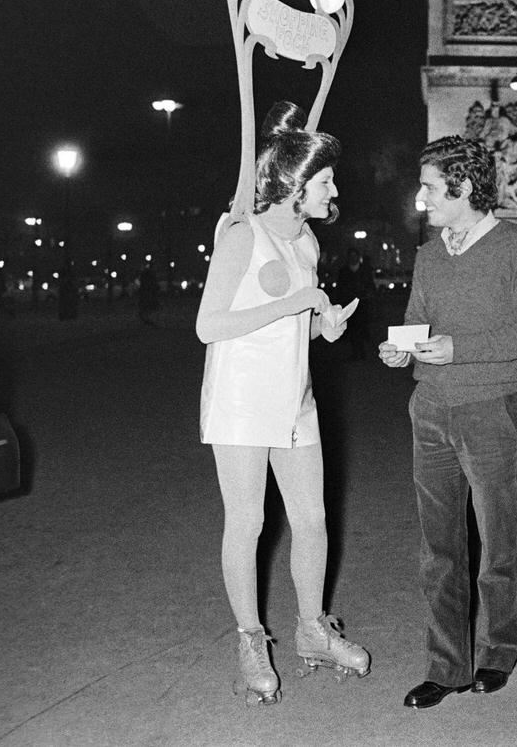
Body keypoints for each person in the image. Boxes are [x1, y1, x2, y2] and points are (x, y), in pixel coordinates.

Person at [197, 100, 369, 706]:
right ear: (294, 186)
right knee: (248, 523)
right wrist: (292, 305)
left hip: (296, 404)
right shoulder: (244, 236)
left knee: (313, 521)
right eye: (324, 180)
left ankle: (312, 629)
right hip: (242, 407)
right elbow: (208, 325)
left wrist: (326, 327)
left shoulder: (309, 244)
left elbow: (301, 327)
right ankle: (250, 641)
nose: (333, 189)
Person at [380, 135, 517, 710]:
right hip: (429, 409)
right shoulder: (428, 254)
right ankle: (445, 665)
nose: (421, 197)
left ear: (464, 187)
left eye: (429, 186)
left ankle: (498, 651)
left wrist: (461, 350)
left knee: (498, 539)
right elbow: (416, 322)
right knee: (439, 546)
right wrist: (401, 349)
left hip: (490, 408)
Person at [334, 248, 375, 359]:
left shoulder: (365, 271)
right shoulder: (344, 271)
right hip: (349, 305)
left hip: (362, 305)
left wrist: (366, 297)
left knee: (361, 329)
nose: (353, 258)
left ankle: (362, 352)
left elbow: (370, 286)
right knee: (352, 330)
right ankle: (355, 352)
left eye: (355, 255)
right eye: (351, 256)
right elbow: (340, 289)